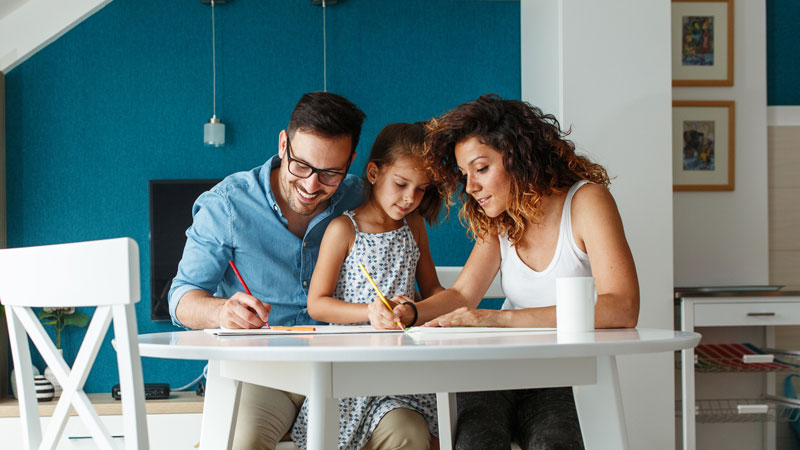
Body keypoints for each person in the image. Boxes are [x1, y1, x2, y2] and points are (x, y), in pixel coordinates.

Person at [367, 94, 640, 450]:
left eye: (481, 169)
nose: (470, 187)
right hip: (499, 369)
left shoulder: (587, 202)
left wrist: (498, 320)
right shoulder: (500, 217)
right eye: (465, 174)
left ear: (520, 154)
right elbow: (463, 294)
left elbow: (622, 307)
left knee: (554, 442)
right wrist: (412, 311)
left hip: (565, 375)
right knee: (476, 442)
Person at [168, 91, 372, 450]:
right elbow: (181, 298)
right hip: (260, 371)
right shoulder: (227, 204)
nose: (311, 186)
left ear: (351, 161)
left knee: (408, 435)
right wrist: (221, 310)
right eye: (302, 166)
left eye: (330, 173)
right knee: (240, 442)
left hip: (345, 370)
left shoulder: (361, 198)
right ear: (283, 144)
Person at [290, 122, 443, 450]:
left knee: (426, 433)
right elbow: (317, 303)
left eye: (421, 189)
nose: (410, 199)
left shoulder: (414, 226)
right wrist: (370, 312)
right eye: (401, 184)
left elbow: (432, 290)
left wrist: (432, 309)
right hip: (351, 369)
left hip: (401, 371)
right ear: (374, 173)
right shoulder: (344, 229)